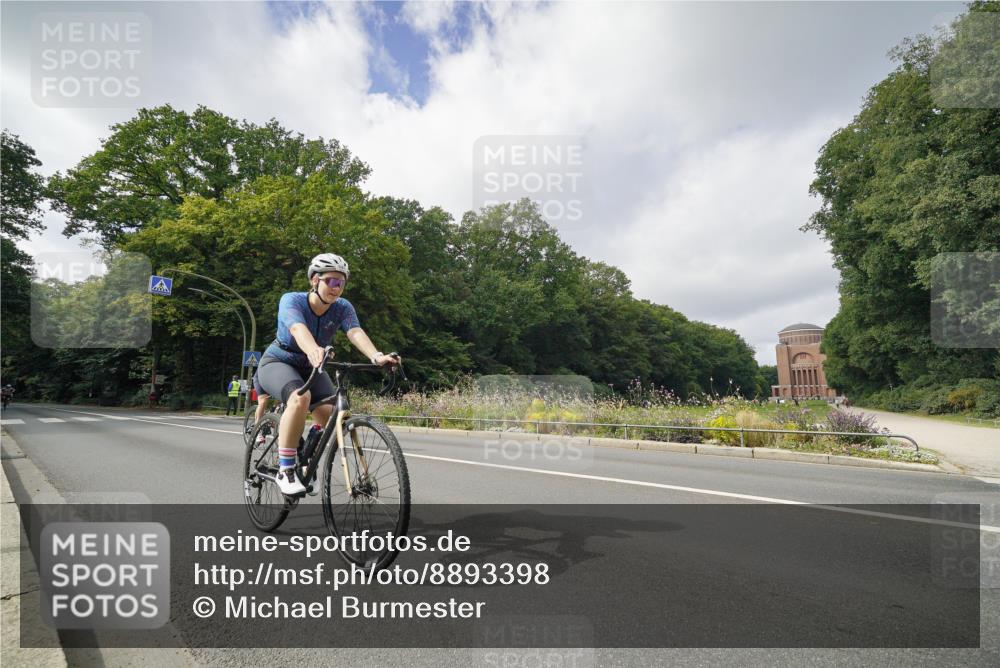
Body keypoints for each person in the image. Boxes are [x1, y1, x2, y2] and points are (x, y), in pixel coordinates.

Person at [257, 253, 400, 495]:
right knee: (300, 398)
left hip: (314, 366)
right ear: (315, 280)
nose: (337, 288)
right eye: (332, 281)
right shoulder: (292, 300)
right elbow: (297, 328)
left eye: (341, 283)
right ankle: (286, 469)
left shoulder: (342, 307)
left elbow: (354, 332)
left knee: (332, 415)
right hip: (279, 361)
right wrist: (313, 349)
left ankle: (306, 456)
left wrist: (376, 356)